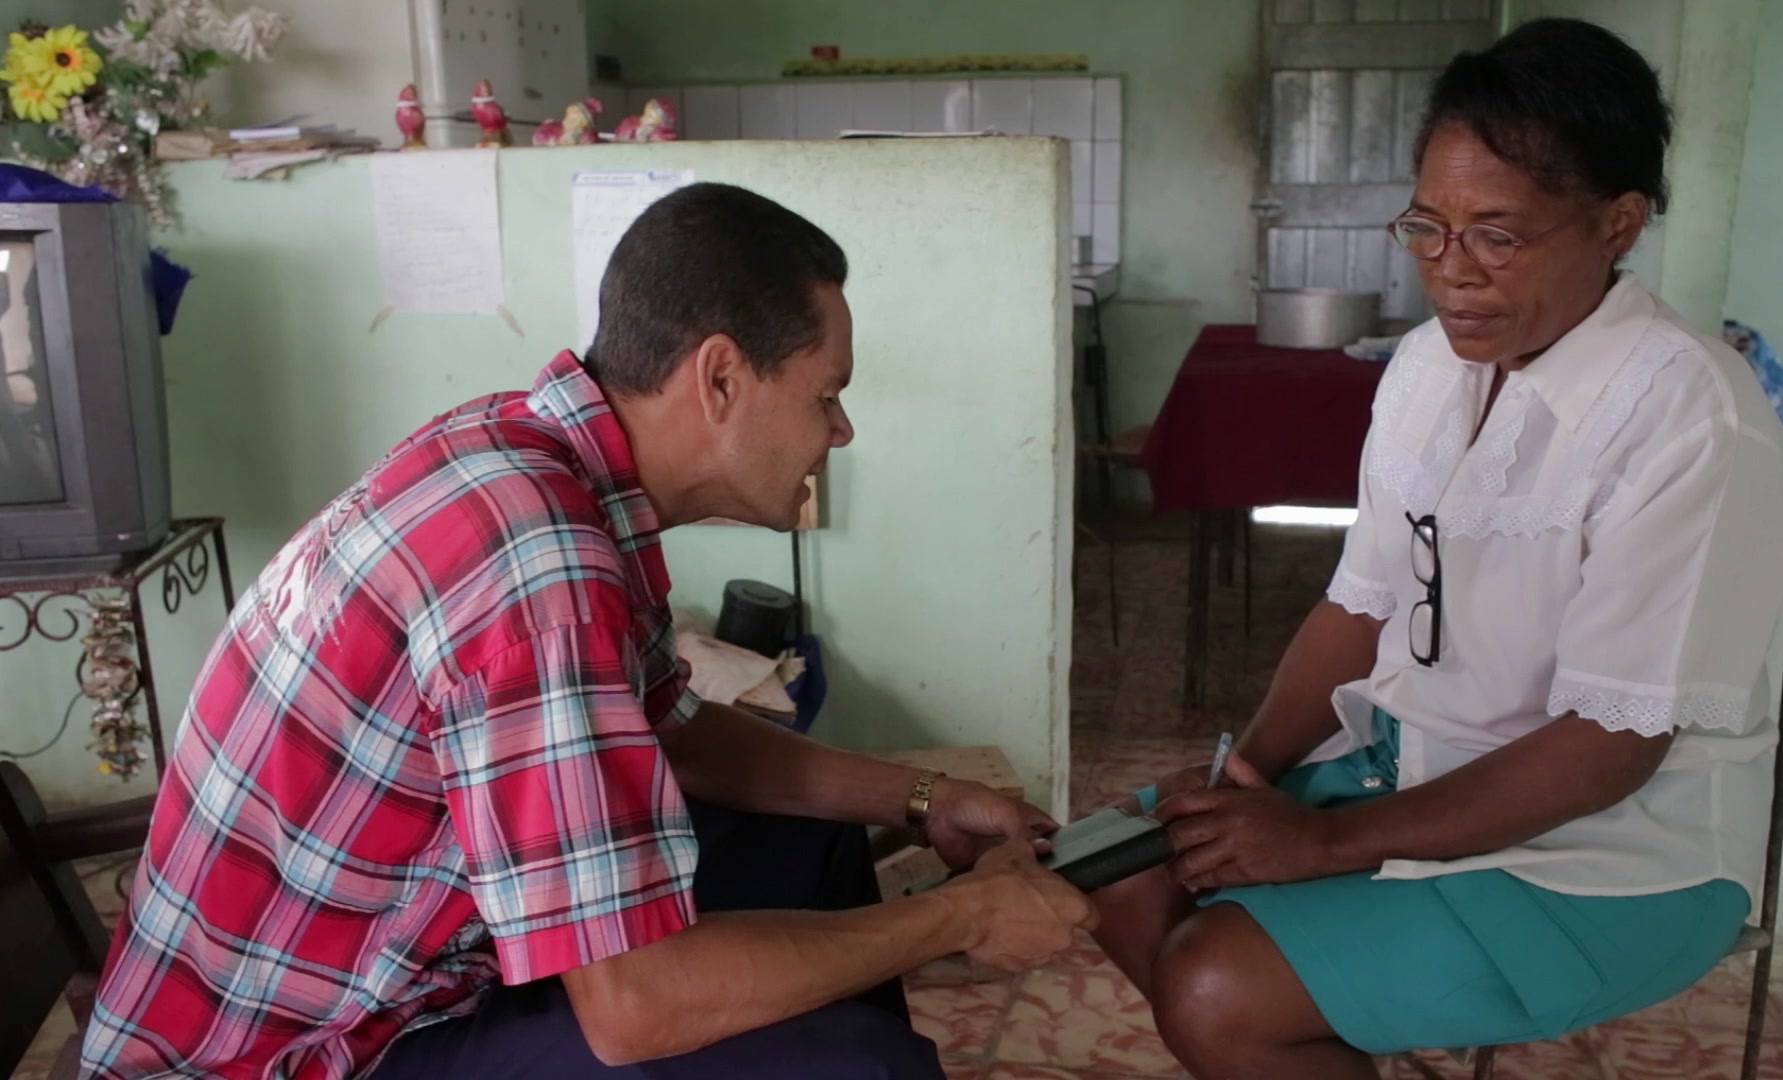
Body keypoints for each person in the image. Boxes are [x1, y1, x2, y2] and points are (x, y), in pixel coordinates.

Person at [80, 183, 1095, 1080]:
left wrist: (925, 798)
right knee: (859, 1065)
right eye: (826, 395)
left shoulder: (533, 456)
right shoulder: (539, 567)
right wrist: (957, 918)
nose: (840, 432)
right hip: (313, 1052)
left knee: (807, 846)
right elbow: (634, 1007)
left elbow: (676, 726)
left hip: (398, 969)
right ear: (722, 378)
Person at [1091, 19, 1783, 1080]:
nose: (1451, 273)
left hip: (1612, 855)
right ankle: (1299, 1034)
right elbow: (1360, 608)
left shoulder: (1691, 422)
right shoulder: (1429, 369)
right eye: (1427, 228)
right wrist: (1248, 774)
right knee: (1116, 867)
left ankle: (1274, 1026)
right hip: (1403, 776)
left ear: (1619, 222)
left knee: (1215, 986)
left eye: (1498, 237)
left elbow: (1611, 748)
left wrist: (1322, 844)